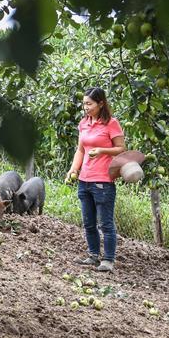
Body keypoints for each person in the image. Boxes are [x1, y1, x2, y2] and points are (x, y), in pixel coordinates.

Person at [64, 87, 126, 272]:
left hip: (103, 181)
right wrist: (74, 169)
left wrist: (102, 150)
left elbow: (121, 148)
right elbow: (80, 150)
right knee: (88, 222)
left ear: (101, 103)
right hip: (84, 180)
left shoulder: (111, 123)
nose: (85, 107)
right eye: (84, 104)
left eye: (89, 104)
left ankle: (108, 259)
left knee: (105, 223)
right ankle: (93, 255)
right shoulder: (84, 123)